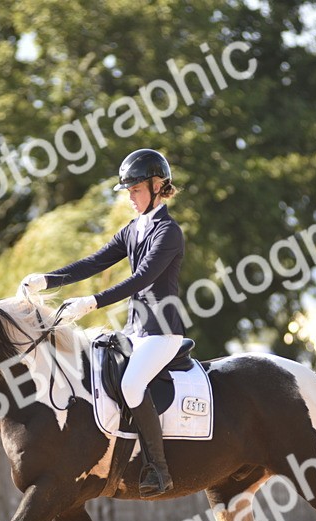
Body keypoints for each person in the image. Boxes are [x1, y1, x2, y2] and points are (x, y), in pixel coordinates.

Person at [17, 148, 184, 498]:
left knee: (133, 385)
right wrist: (47, 280)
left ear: (157, 186)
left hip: (161, 332)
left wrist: (91, 303)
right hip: (134, 332)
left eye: (136, 190)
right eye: (128, 191)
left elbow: (141, 278)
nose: (131, 198)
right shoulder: (134, 229)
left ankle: (160, 468)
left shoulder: (168, 232)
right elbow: (94, 263)